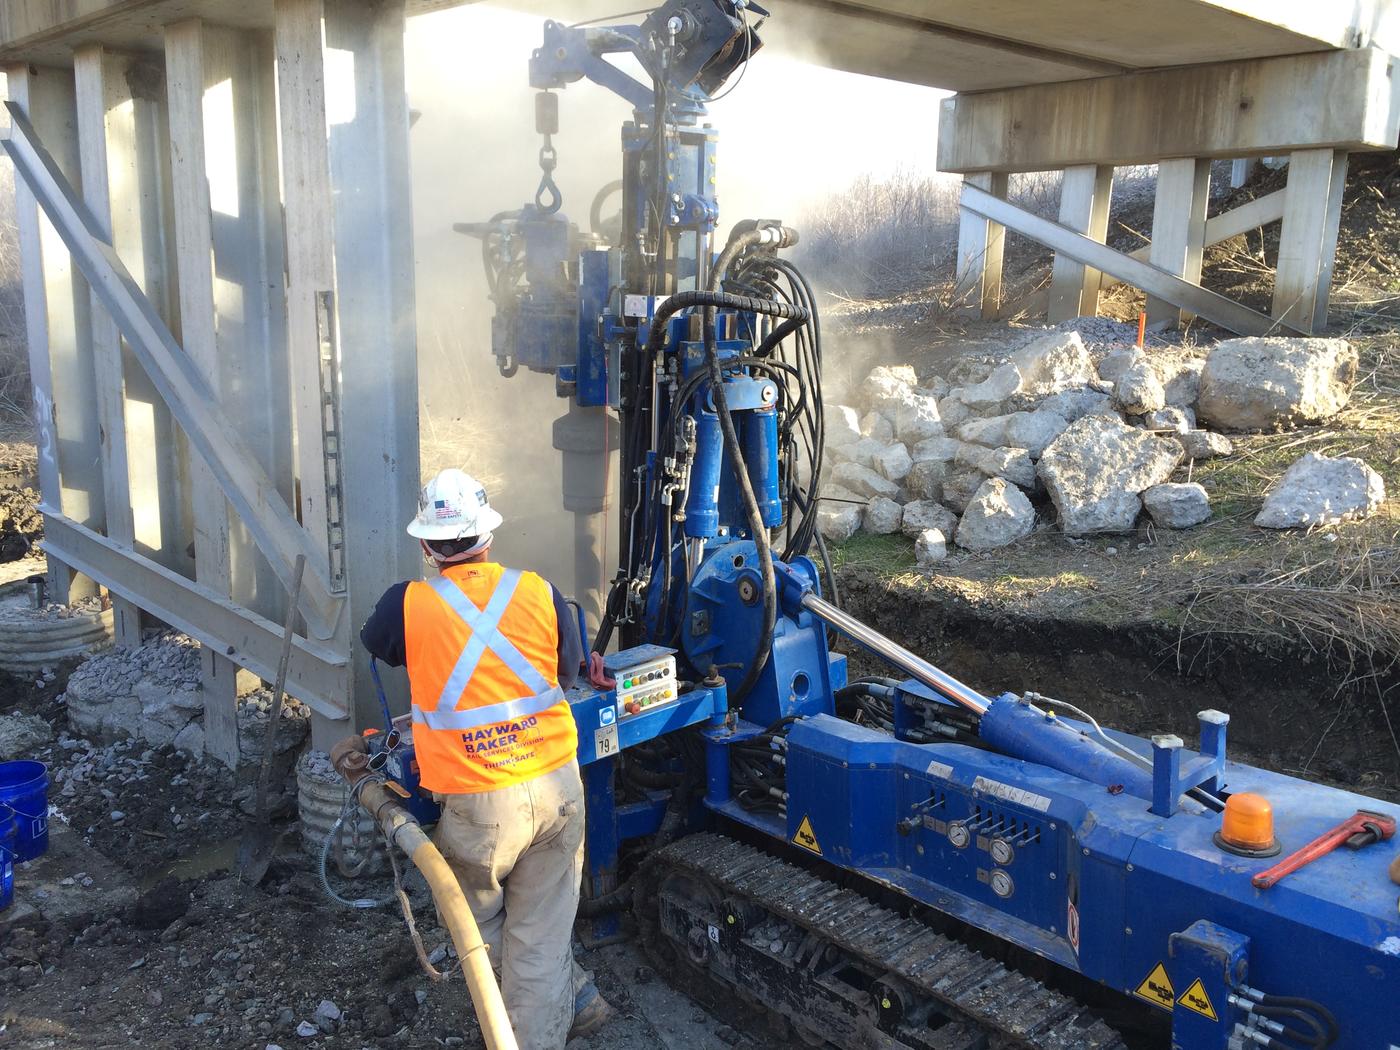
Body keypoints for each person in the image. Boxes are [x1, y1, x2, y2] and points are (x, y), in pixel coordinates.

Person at [348, 468, 614, 1048]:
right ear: (488, 536)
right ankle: (574, 998)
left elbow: (376, 643)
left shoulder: (406, 603)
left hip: (480, 801)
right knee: (540, 932)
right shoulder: (540, 591)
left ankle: (543, 1021)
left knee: (475, 921)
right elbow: (566, 673)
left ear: (425, 546)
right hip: (558, 787)